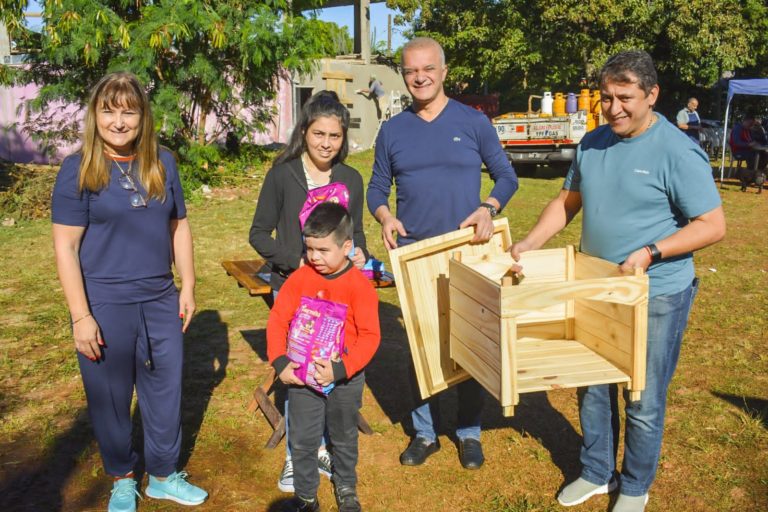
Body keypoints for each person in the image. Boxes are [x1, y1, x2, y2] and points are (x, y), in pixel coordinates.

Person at [509, 50, 725, 512]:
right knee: (591, 382)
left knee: (642, 396)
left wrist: (651, 252)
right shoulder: (592, 142)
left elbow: (712, 224)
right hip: (595, 284)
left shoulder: (676, 150)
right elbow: (567, 201)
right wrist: (530, 242)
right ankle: (595, 471)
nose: (613, 108)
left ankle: (634, 485)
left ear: (652, 95)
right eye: (606, 98)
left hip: (656, 292)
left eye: (624, 97)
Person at [51, 72, 208, 512]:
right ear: (94, 115)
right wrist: (81, 316)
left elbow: (178, 225)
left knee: (164, 390)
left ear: (143, 116)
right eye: (108, 110)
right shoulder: (77, 169)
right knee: (111, 396)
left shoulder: (163, 162)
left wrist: (188, 283)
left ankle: (161, 475)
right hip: (103, 301)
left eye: (129, 111)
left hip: (160, 297)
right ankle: (122, 477)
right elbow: (66, 246)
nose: (118, 121)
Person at [366, 37, 518, 470]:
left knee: (469, 343)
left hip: (467, 252)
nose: (420, 77)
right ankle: (425, 433)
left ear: (444, 71)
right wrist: (384, 216)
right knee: (422, 346)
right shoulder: (393, 130)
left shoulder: (474, 122)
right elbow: (378, 187)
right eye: (412, 70)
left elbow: (506, 178)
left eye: (429, 68)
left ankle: (469, 432)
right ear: (404, 74)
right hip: (416, 257)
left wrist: (489, 208)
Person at [249, 90, 369, 493]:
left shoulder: (351, 179)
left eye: (334, 136)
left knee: (334, 368)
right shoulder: (284, 174)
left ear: (343, 138)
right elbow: (257, 233)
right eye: (318, 134)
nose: (326, 143)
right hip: (296, 291)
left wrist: (358, 253)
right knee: (298, 375)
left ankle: (326, 447)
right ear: (304, 131)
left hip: (339, 296)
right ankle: (296, 456)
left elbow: (359, 235)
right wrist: (294, 261)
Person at [267, 202, 381, 512]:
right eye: (309, 249)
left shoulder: (360, 287)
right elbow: (278, 319)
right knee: (303, 441)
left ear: (347, 247)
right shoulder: (301, 279)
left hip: (345, 381)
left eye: (323, 250)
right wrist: (280, 361)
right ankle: (305, 497)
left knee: (343, 438)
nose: (314, 257)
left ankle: (345, 486)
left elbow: (371, 337)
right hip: (303, 379)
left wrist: (340, 369)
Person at [730, 113, 768, 192]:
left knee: (765, 155)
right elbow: (737, 142)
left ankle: (756, 174)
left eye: (752, 124)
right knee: (754, 156)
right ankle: (751, 176)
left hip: (748, 150)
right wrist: (749, 144)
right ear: (745, 121)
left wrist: (754, 143)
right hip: (738, 152)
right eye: (750, 124)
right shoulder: (738, 128)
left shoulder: (747, 129)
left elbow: (754, 140)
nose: (751, 126)